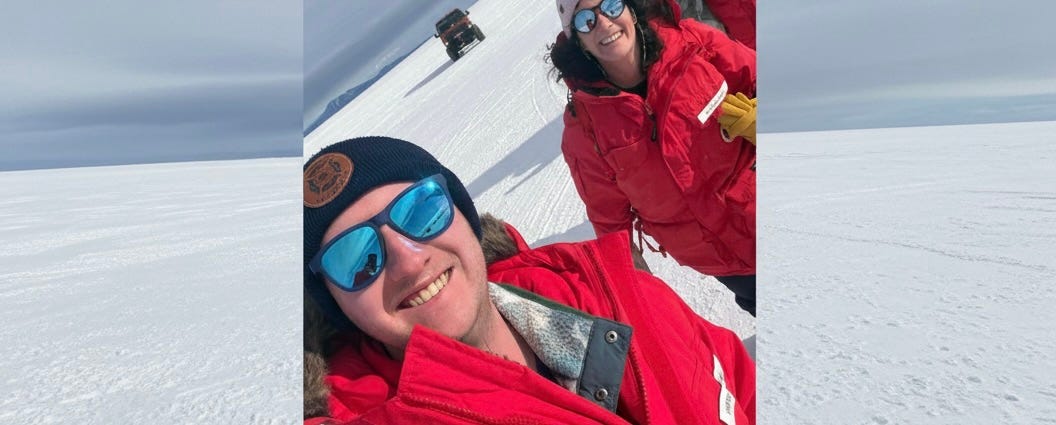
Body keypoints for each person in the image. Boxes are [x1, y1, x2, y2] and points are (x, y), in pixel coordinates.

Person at [303, 136, 755, 424]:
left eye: (420, 209)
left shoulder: (609, 286)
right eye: (355, 258)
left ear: (461, 212)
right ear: (334, 303)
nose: (408, 259)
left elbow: (743, 386)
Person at [548, 0, 757, 315]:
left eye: (611, 5)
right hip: (718, 257)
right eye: (585, 20)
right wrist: (630, 268)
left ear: (631, 8)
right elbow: (608, 215)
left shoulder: (693, 44)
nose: (603, 22)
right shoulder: (584, 127)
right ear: (578, 41)